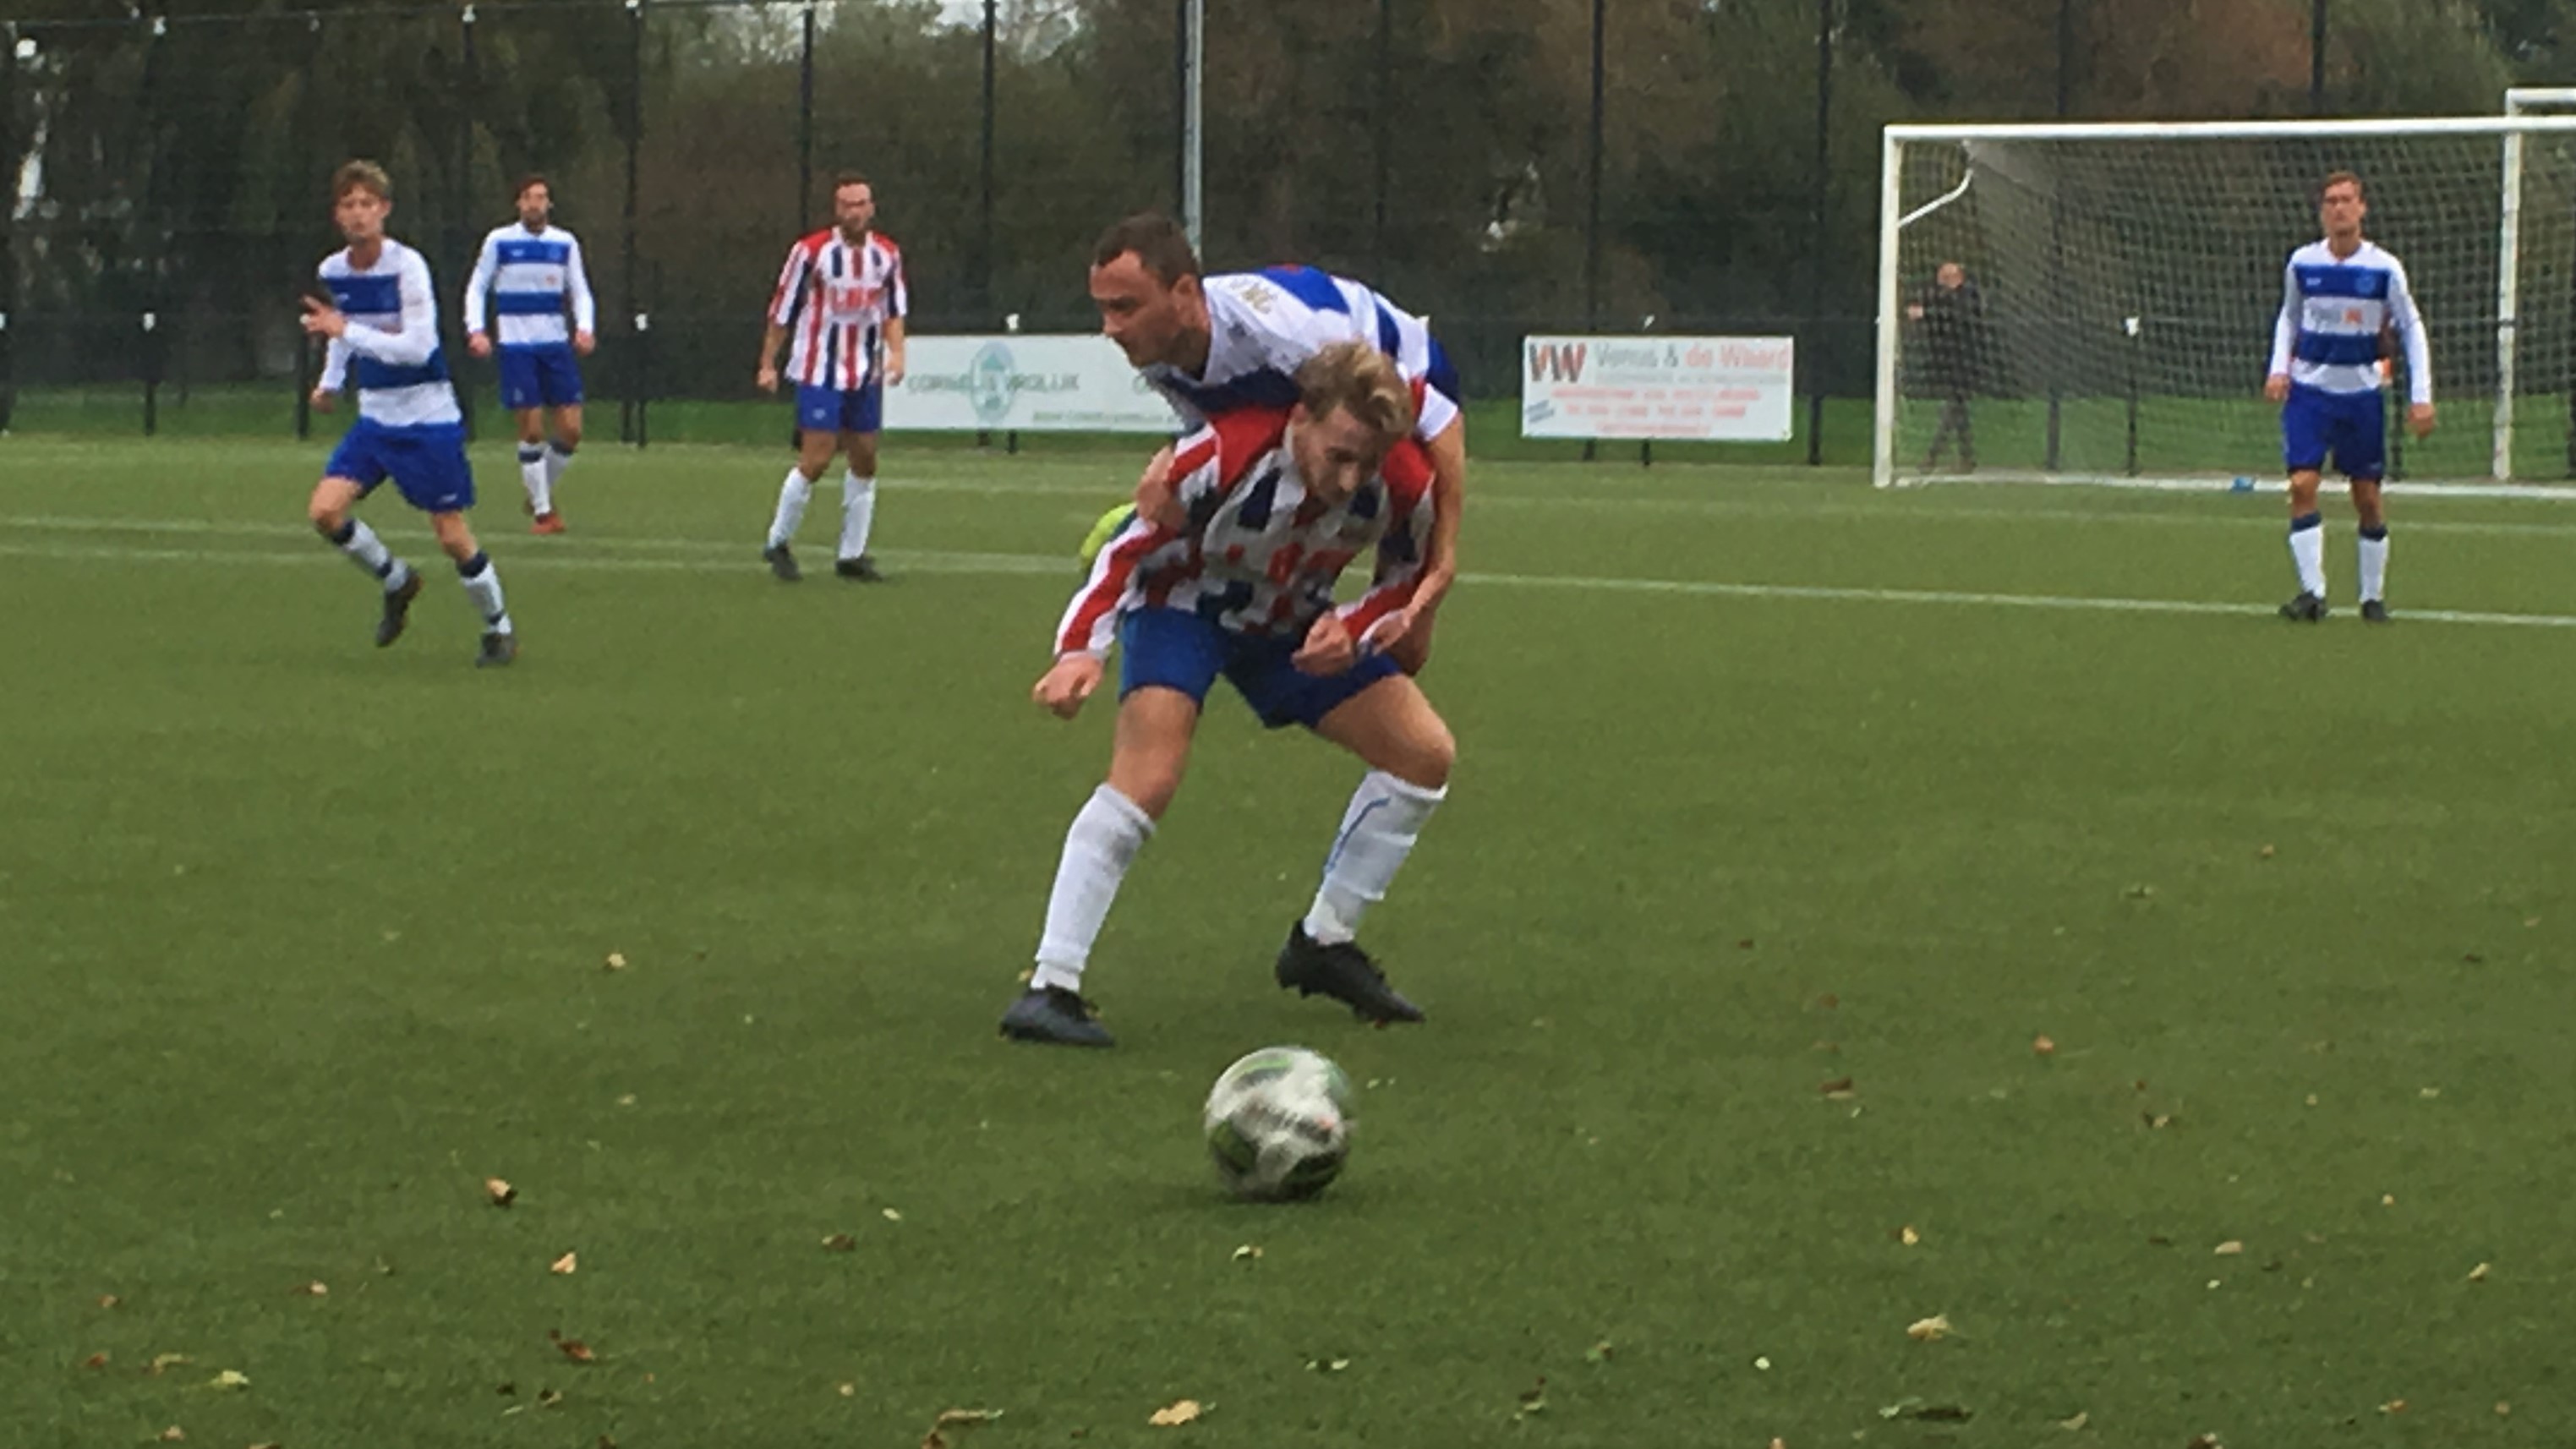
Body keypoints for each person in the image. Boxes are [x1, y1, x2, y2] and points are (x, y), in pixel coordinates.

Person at [999, 342, 1455, 1047]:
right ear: (1300, 416)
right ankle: (1049, 986)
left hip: (1291, 626)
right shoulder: (1224, 451)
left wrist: (1354, 627)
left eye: (1365, 461)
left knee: (1423, 755)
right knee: (1147, 777)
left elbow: (1407, 578)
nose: (1350, 477)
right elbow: (1125, 549)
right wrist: (1079, 652)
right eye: (1339, 454)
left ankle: (1322, 944)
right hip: (1183, 608)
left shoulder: (1402, 481)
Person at [1086, 214, 1463, 673]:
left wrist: (1444, 556)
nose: (1111, 328)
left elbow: (1439, 415)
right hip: (1321, 406)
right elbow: (1216, 430)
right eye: (1105, 309)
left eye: (1125, 308)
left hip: (1408, 366)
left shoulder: (1290, 336)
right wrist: (1169, 471)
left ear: (1184, 294)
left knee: (1408, 648)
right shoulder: (1159, 347)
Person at [302, 160, 517, 669]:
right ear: (338, 214)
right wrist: (330, 382)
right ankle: (398, 581)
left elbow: (417, 349)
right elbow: (343, 328)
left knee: (451, 535)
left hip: (427, 419)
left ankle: (498, 627)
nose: (358, 214)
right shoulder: (333, 270)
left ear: (385, 211)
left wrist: (343, 333)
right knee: (325, 511)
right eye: (348, 205)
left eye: (367, 204)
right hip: (375, 420)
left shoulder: (407, 267)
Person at [2265, 170, 2434, 624]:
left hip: (2360, 396)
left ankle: (2372, 597)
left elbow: (2412, 328)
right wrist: (2278, 368)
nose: (2338, 208)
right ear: (2322, 211)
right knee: (2302, 484)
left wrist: (2422, 396)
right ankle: (2312, 593)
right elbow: (2288, 318)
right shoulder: (2302, 263)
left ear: (2362, 208)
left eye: (2346, 200)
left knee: (2367, 498)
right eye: (2330, 201)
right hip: (2310, 393)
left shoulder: (2384, 269)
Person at [756, 172, 908, 582]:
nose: (855, 212)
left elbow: (893, 311)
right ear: (836, 210)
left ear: (871, 207)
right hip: (817, 367)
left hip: (864, 370)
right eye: (847, 205)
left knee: (865, 457)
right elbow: (782, 311)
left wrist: (897, 354)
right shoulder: (811, 252)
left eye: (861, 204)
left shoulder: (887, 255)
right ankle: (778, 541)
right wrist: (768, 362)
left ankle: (851, 554)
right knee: (818, 457)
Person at [463, 174, 596, 534]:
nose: (535, 204)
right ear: (518, 203)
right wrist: (476, 329)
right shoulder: (500, 241)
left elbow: (580, 291)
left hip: (555, 346)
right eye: (528, 197)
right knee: (533, 430)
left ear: (549, 204)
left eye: (541, 197)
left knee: (571, 430)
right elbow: (477, 288)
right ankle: (543, 512)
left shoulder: (564, 243)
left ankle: (539, 491)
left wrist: (585, 327)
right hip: (516, 347)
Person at [1906, 260, 1983, 473]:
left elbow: (1953, 316)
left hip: (1964, 362)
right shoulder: (1944, 297)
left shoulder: (1968, 297)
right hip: (1949, 361)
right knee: (1958, 410)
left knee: (1953, 408)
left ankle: (1932, 456)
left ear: (1956, 276)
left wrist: (1926, 314)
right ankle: (1967, 458)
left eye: (1944, 275)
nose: (1939, 279)